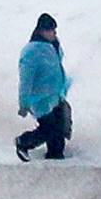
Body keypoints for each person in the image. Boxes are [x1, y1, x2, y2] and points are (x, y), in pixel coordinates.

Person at [15, 14, 72, 161]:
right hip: (40, 100)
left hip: (55, 96)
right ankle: (24, 142)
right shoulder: (31, 52)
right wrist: (24, 103)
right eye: (51, 30)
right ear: (41, 31)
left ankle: (55, 155)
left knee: (59, 128)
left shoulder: (53, 45)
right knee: (48, 129)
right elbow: (25, 80)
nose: (54, 33)